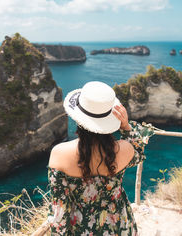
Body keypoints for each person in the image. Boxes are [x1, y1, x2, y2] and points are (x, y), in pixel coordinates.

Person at [47, 81, 154, 235]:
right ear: (110, 120)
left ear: (78, 118)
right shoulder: (124, 149)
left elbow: (59, 210)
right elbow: (138, 151)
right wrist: (126, 126)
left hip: (81, 229)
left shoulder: (59, 153)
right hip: (119, 225)